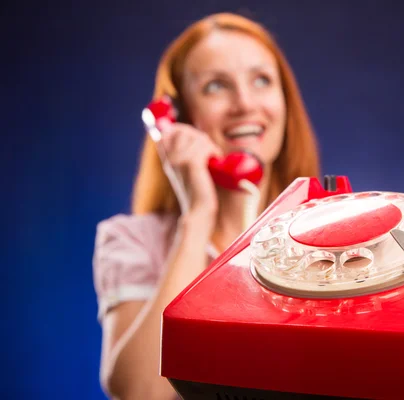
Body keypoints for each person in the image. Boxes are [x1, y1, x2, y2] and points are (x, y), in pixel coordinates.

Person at [92, 12, 321, 400]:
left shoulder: (325, 234)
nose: (245, 103)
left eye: (262, 80)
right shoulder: (130, 240)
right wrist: (197, 216)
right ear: (177, 117)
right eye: (216, 86)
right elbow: (140, 393)